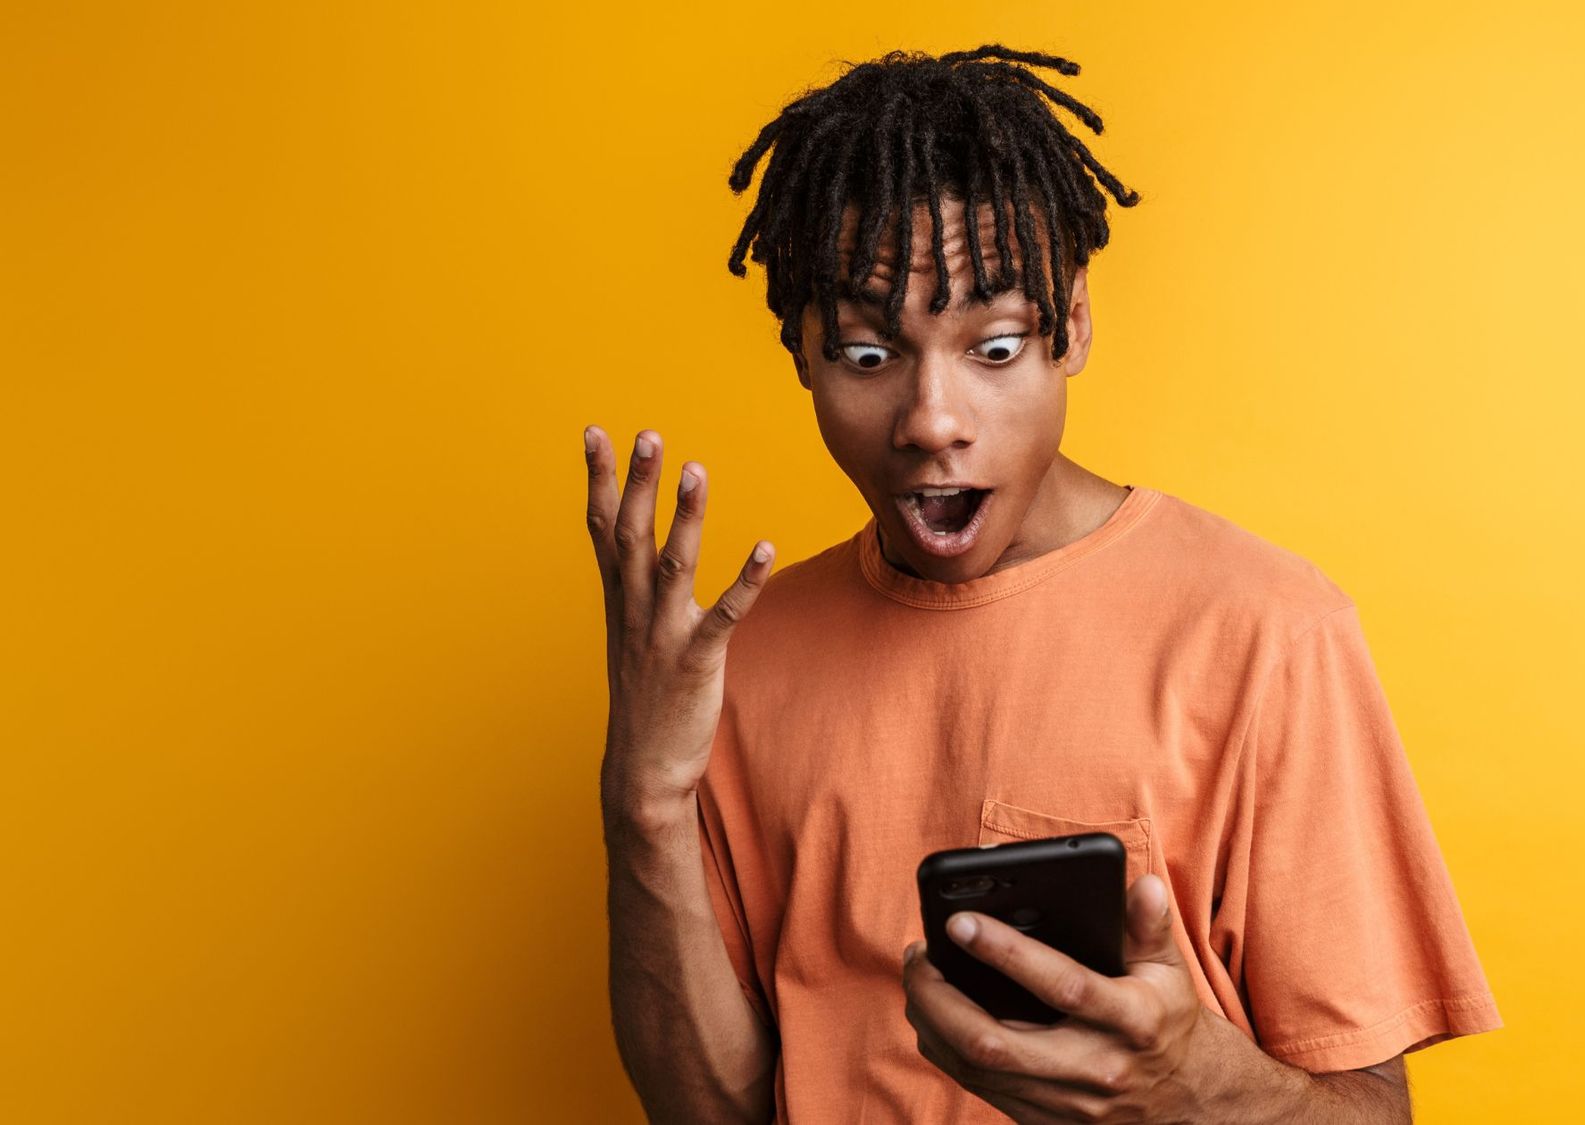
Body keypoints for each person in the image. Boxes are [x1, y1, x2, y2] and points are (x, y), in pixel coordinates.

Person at [582, 44, 1502, 1123]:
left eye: (997, 345)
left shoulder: (1263, 630)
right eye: (869, 356)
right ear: (800, 350)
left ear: (1071, 322)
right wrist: (643, 800)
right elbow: (714, 1111)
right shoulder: (736, 663)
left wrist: (1188, 1088)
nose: (933, 419)